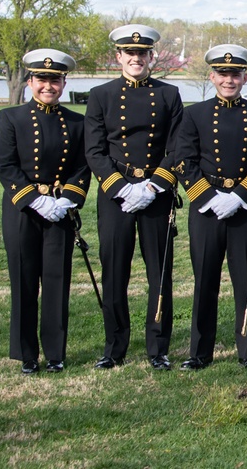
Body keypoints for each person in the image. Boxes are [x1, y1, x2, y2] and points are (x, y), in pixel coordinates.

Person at [85, 25, 184, 370]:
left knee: (160, 272)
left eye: (142, 54)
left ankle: (159, 348)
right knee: (114, 272)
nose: (136, 59)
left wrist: (155, 185)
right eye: (129, 53)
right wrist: (120, 187)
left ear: (150, 57)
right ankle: (114, 347)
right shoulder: (101, 95)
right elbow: (94, 150)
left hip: (156, 194)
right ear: (119, 57)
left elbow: (177, 148)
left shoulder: (169, 95)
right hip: (116, 196)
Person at [173, 45, 247, 371]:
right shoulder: (194, 114)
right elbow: (183, 160)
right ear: (211, 76)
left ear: (245, 77)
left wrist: (241, 196)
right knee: (204, 279)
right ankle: (199, 352)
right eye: (223, 74)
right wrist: (207, 197)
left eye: (235, 74)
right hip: (206, 209)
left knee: (246, 280)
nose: (229, 80)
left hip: (243, 207)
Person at [0, 49, 90, 374]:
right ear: (30, 81)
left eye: (54, 79)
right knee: (23, 281)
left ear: (64, 82)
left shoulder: (78, 122)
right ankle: (26, 355)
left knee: (56, 281)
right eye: (41, 79)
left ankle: (55, 353)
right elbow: (5, 166)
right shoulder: (11, 118)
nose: (47, 85)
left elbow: (82, 167)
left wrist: (66, 201)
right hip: (23, 211)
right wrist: (35, 199)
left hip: (60, 212)